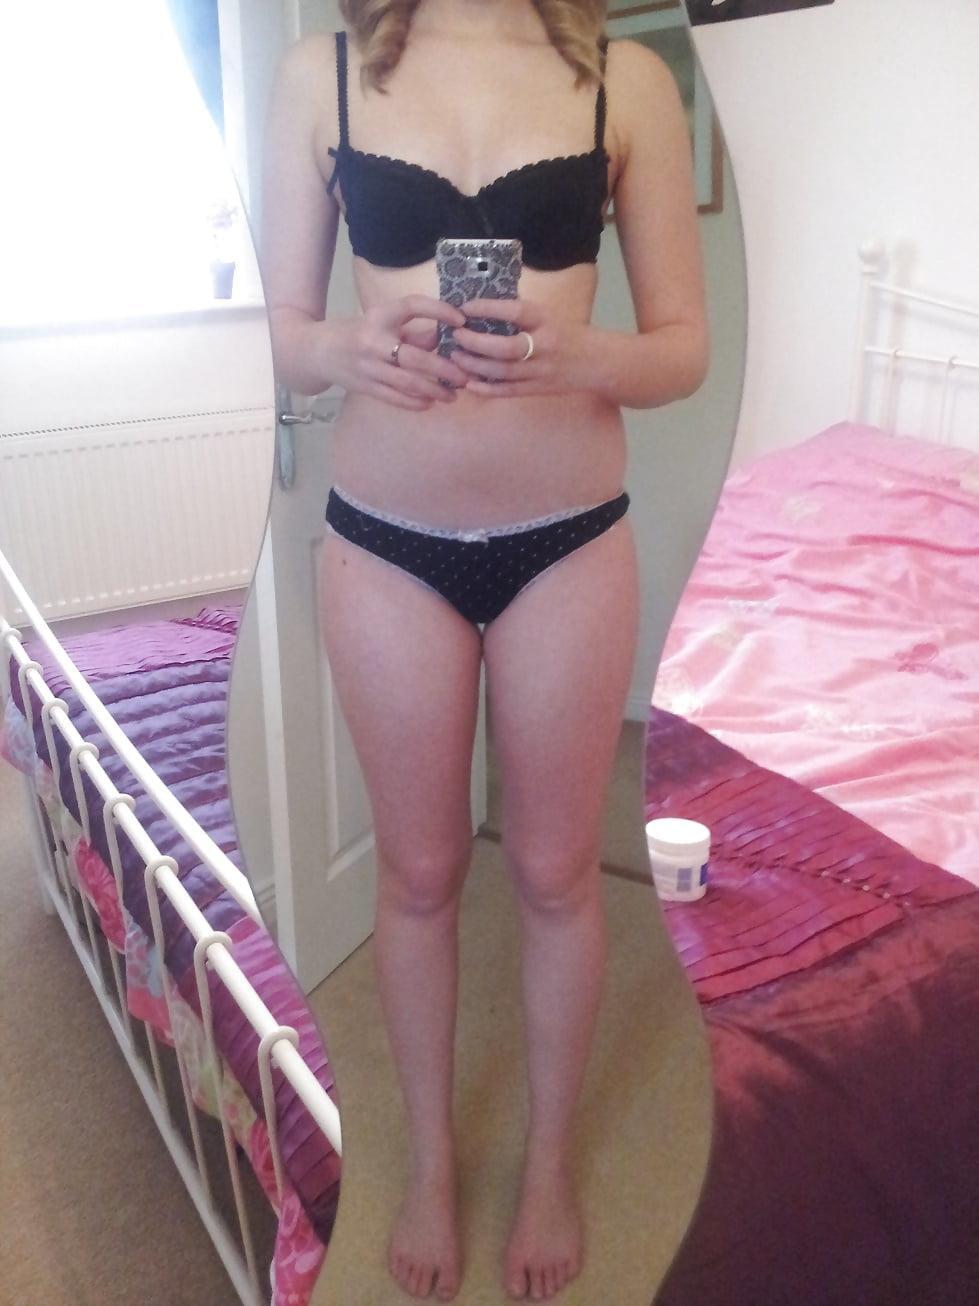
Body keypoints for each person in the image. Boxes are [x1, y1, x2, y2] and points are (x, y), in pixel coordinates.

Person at [261, 0, 708, 1299]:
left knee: (561, 874)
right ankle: (431, 1163)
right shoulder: (321, 75)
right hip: (386, 542)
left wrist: (585, 354)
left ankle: (551, 1162)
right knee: (418, 874)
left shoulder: (623, 78)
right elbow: (280, 331)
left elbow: (683, 348)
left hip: (567, 541)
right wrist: (349, 346)